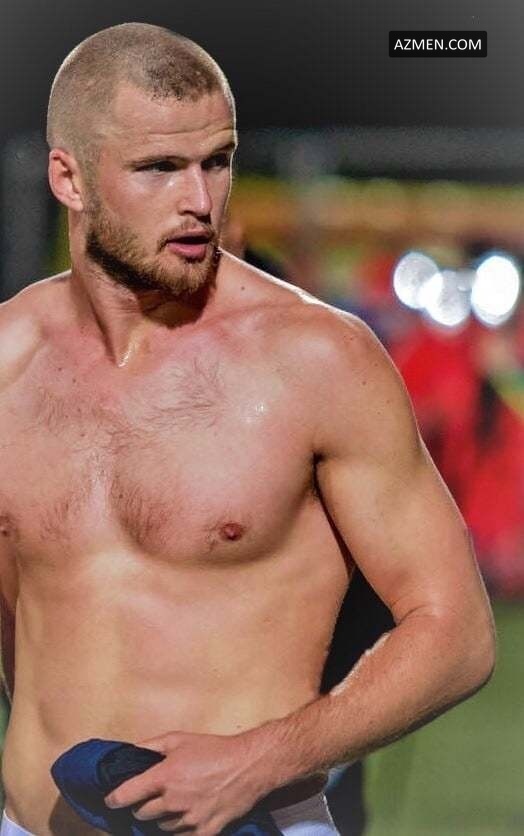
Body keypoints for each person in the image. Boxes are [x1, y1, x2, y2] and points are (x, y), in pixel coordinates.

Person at [0, 22, 495, 836]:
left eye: (217, 161)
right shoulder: (9, 360)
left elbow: (458, 634)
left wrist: (260, 759)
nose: (201, 201)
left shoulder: (317, 360)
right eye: (159, 168)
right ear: (69, 177)